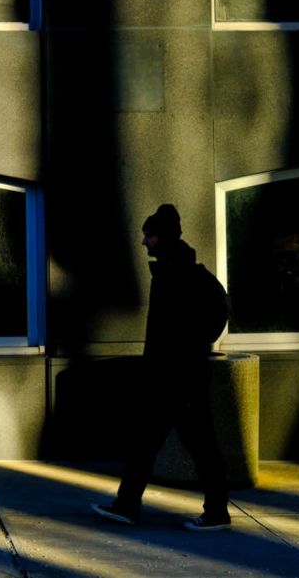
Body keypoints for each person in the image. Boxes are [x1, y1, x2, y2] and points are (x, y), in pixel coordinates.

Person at [91, 203, 232, 532]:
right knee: (152, 444)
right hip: (173, 377)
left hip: (179, 380)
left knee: (197, 447)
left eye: (149, 235)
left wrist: (188, 348)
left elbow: (213, 312)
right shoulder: (175, 270)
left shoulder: (181, 274)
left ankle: (215, 512)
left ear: (163, 237)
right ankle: (129, 505)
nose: (143, 241)